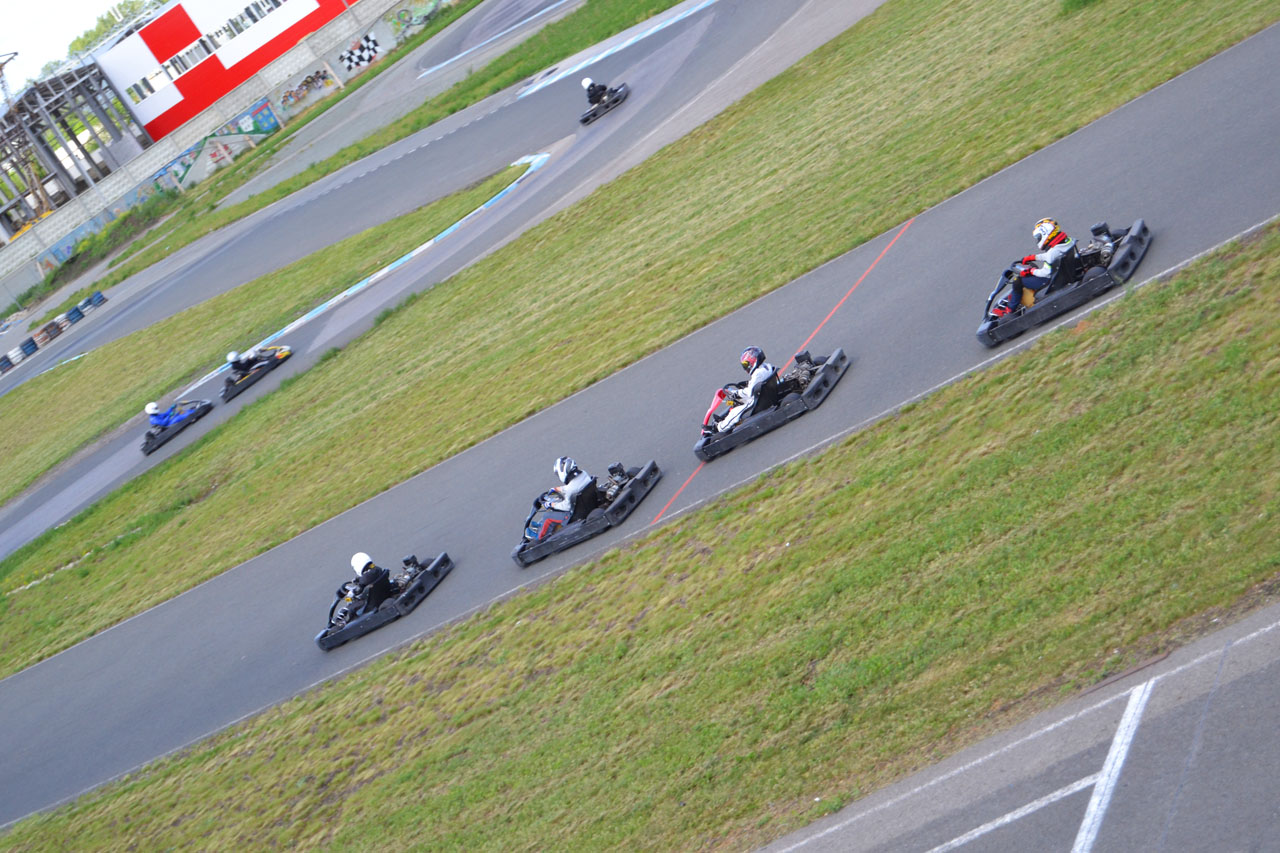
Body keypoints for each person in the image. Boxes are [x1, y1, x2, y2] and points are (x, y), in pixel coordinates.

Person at [993, 218, 1078, 317]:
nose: (1038, 240)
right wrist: (1033, 257)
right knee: (1026, 276)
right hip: (1063, 273)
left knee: (1018, 281)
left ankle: (1009, 310)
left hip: (1050, 281)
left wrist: (1030, 271)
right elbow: (1049, 256)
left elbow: (1045, 272)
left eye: (1038, 237)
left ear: (1046, 233)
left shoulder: (1052, 252)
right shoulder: (1066, 242)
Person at [706, 346, 782, 435]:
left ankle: (719, 428)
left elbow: (749, 393)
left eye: (746, 364)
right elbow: (755, 384)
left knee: (735, 411)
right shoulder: (766, 366)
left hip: (756, 401)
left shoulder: (757, 374)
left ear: (753, 361)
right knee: (734, 402)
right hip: (765, 394)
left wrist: (736, 393)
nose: (745, 368)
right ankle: (725, 419)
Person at [336, 552, 395, 622]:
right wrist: (358, 579)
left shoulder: (364, 580)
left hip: (371, 603)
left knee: (349, 603)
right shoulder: (377, 569)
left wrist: (351, 593)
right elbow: (369, 575)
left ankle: (346, 621)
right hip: (385, 592)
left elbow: (358, 591)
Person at [546, 456, 599, 522]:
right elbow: (575, 485)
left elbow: (566, 507)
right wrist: (556, 489)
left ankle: (542, 528)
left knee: (548, 517)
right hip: (593, 502)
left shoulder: (569, 490)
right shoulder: (584, 473)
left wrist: (551, 504)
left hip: (580, 515)